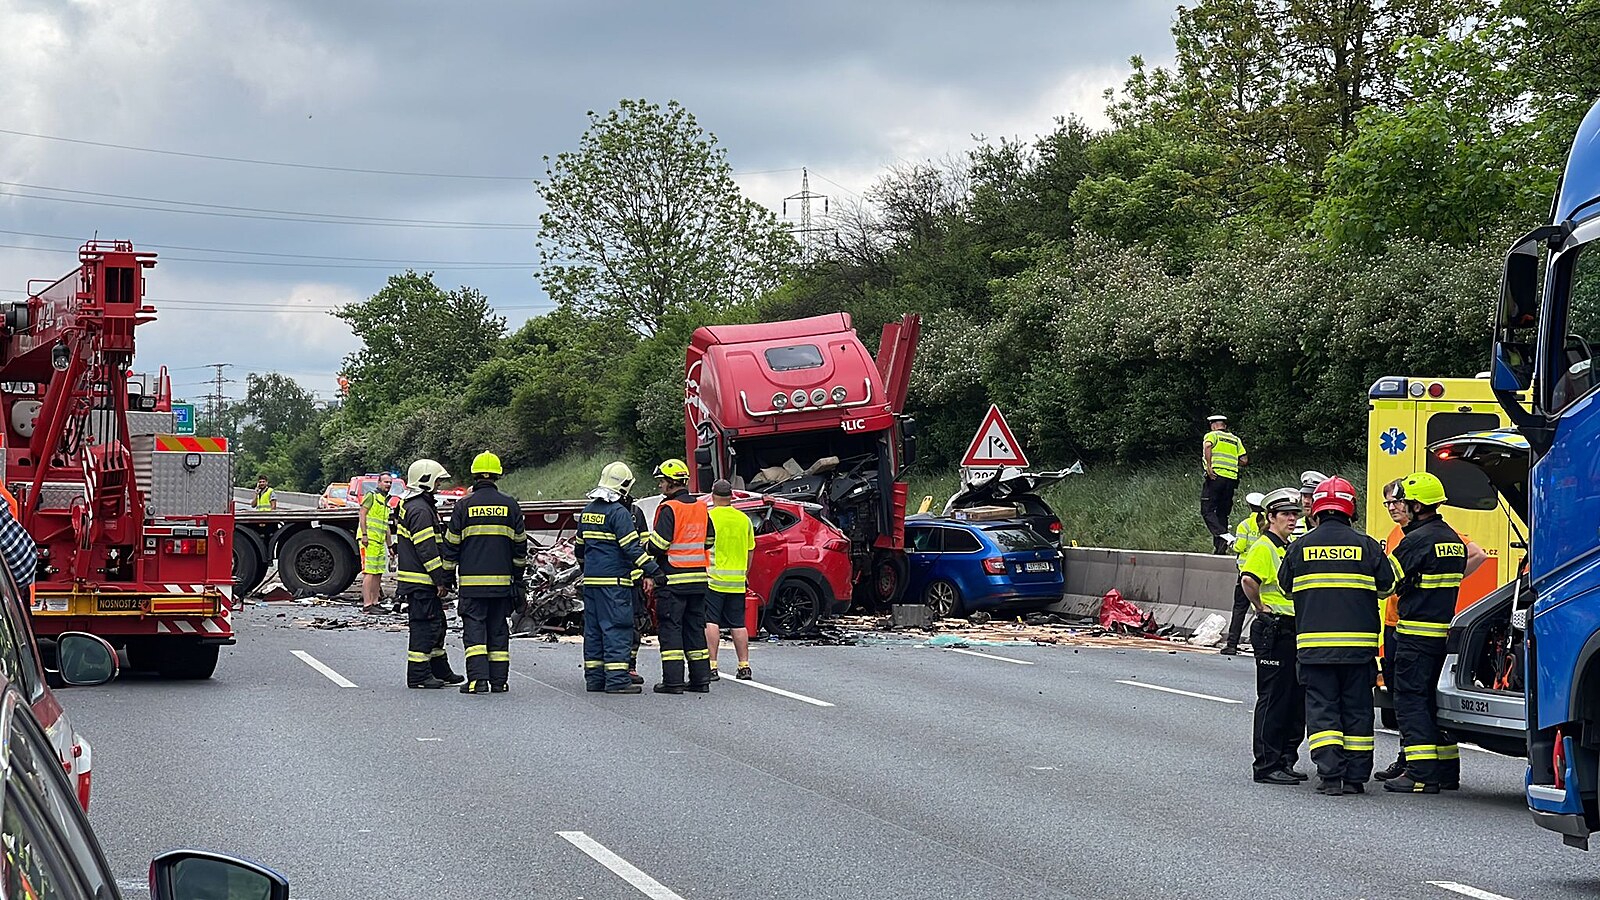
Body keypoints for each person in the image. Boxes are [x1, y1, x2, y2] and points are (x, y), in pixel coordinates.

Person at [1279, 475, 1395, 795]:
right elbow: (1388, 587)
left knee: (1322, 709)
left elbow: (1285, 588)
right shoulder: (1367, 546)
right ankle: (1356, 777)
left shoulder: (1300, 547)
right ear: (1350, 509)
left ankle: (1330, 776)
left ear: (1316, 509)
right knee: (1357, 710)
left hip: (1315, 649)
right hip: (1359, 650)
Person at [1383, 472, 1475, 794]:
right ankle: (1447, 771)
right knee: (1434, 704)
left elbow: (1386, 583)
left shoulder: (1416, 541)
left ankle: (1420, 773)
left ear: (1418, 505)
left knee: (1411, 702)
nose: (1400, 507)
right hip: (1442, 636)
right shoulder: (1452, 539)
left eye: (1405, 503)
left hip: (1415, 636)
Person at [442, 452, 527, 695]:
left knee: (475, 632)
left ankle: (477, 681)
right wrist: (517, 578)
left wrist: (446, 579)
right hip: (502, 585)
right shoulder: (510, 505)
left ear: (475, 475)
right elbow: (520, 547)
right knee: (499, 630)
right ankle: (499, 682)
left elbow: (451, 546)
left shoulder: (463, 506)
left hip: (472, 586)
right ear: (497, 475)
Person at [576, 462, 664, 694]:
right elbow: (632, 548)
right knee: (616, 629)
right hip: (614, 585)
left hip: (592, 584)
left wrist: (590, 570)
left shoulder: (587, 511)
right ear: (624, 486)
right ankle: (616, 681)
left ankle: (595, 679)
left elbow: (579, 550)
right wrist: (654, 570)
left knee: (594, 631)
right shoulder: (619, 513)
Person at [1242, 487, 1305, 784]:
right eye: (1285, 515)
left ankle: (1285, 759)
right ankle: (1267, 765)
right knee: (1274, 698)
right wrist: (1260, 607)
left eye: (1295, 514)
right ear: (1271, 517)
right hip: (1274, 629)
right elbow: (1248, 580)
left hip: (1292, 629)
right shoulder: (1264, 547)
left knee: (1293, 699)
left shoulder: (1286, 547)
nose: (1292, 519)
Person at [646, 458, 714, 694]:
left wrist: (645, 546)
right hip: (698, 581)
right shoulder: (701, 507)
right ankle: (700, 680)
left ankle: (673, 682)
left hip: (673, 580)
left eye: (662, 481)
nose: (660, 485)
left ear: (672, 482)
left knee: (671, 629)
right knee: (695, 630)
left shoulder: (670, 509)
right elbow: (709, 540)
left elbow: (659, 545)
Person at [395, 459, 463, 689]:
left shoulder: (418, 505)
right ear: (426, 480)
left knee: (437, 625)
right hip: (421, 580)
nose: (439, 485)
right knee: (425, 627)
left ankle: (439, 669)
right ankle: (418, 675)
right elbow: (427, 548)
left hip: (420, 579)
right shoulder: (420, 509)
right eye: (437, 480)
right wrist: (439, 579)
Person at [705, 479, 755, 681]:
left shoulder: (709, 517)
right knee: (738, 623)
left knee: (711, 621)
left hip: (713, 578)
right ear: (732, 497)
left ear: (713, 495)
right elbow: (750, 550)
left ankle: (712, 666)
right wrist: (745, 574)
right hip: (737, 580)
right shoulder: (744, 520)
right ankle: (744, 666)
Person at [1221, 491, 1267, 655]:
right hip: (1264, 573)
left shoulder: (1245, 525)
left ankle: (1232, 644)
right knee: (1263, 609)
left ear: (1249, 506)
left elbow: (1239, 547)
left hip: (1246, 574)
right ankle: (1263, 644)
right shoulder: (1269, 523)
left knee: (1240, 609)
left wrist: (1231, 544)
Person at [1200, 415, 1248, 553]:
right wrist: (1231, 461)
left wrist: (1209, 468)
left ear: (1213, 425)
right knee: (1222, 513)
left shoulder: (1212, 435)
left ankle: (1224, 535)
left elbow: (1207, 446)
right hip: (1231, 479)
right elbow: (1244, 460)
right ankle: (1220, 548)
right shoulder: (1235, 439)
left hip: (1216, 477)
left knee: (1207, 510)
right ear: (1224, 426)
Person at [357, 472, 394, 613]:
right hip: (369, 540)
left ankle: (375, 602)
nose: (388, 484)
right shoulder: (371, 496)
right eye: (386, 482)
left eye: (390, 482)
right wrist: (364, 535)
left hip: (378, 541)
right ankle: (367, 605)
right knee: (369, 572)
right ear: (379, 483)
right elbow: (362, 514)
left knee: (378, 572)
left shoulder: (385, 501)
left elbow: (386, 526)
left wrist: (390, 546)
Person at [1291, 470, 1328, 540]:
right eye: (1304, 496)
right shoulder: (1293, 527)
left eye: (1311, 496)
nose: (1306, 501)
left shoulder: (1334, 527)